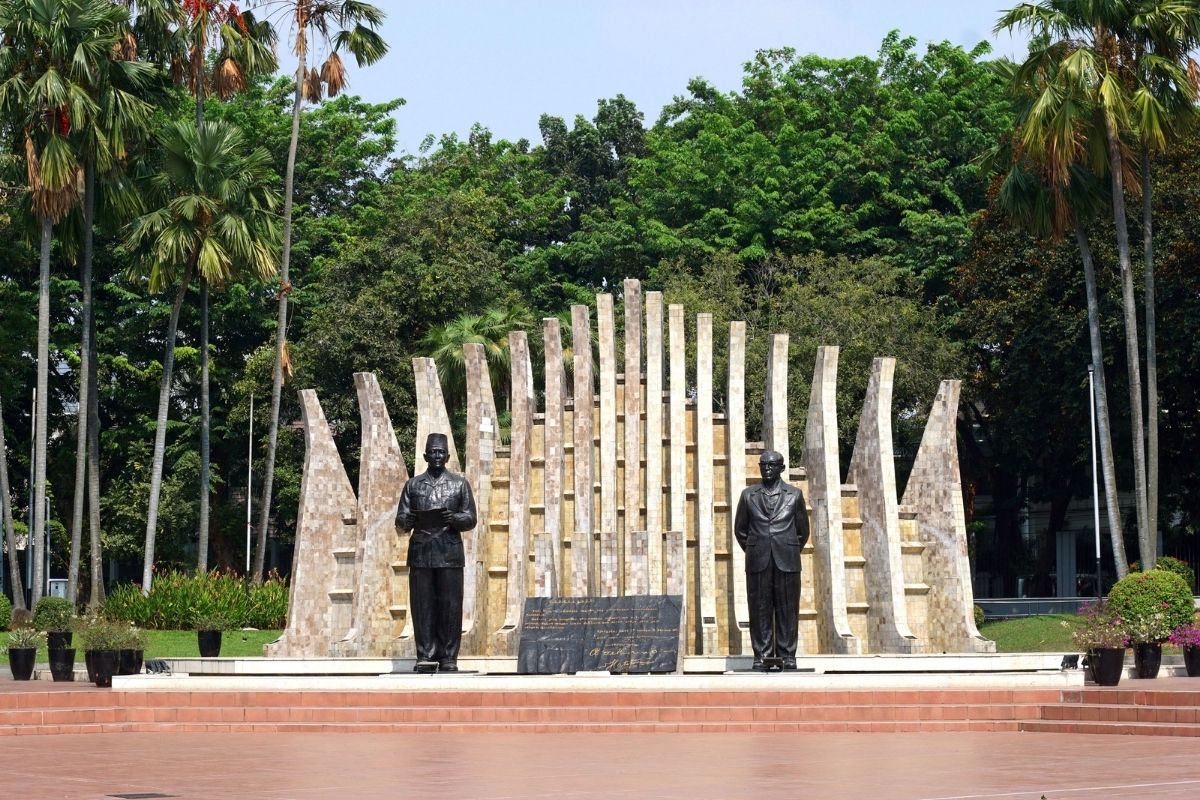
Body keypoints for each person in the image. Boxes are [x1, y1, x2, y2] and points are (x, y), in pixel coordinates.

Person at [396, 433, 477, 672]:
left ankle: (449, 657)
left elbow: (471, 518)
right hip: (421, 552)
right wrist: (407, 519)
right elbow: (400, 520)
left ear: (448, 456)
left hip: (449, 553)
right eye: (433, 452)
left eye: (441, 452)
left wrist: (454, 518)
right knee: (422, 606)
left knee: (450, 606)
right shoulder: (412, 485)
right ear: (425, 455)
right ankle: (425, 656)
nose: (437, 456)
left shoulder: (459, 484)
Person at [733, 450, 810, 670]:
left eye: (771, 465)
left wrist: (788, 548)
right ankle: (762, 655)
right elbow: (740, 530)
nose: (766, 469)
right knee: (759, 608)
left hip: (787, 559)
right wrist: (755, 548)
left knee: (787, 608)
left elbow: (803, 531)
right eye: (763, 465)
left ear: (781, 468)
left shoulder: (794, 495)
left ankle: (787, 655)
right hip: (758, 560)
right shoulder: (748, 495)